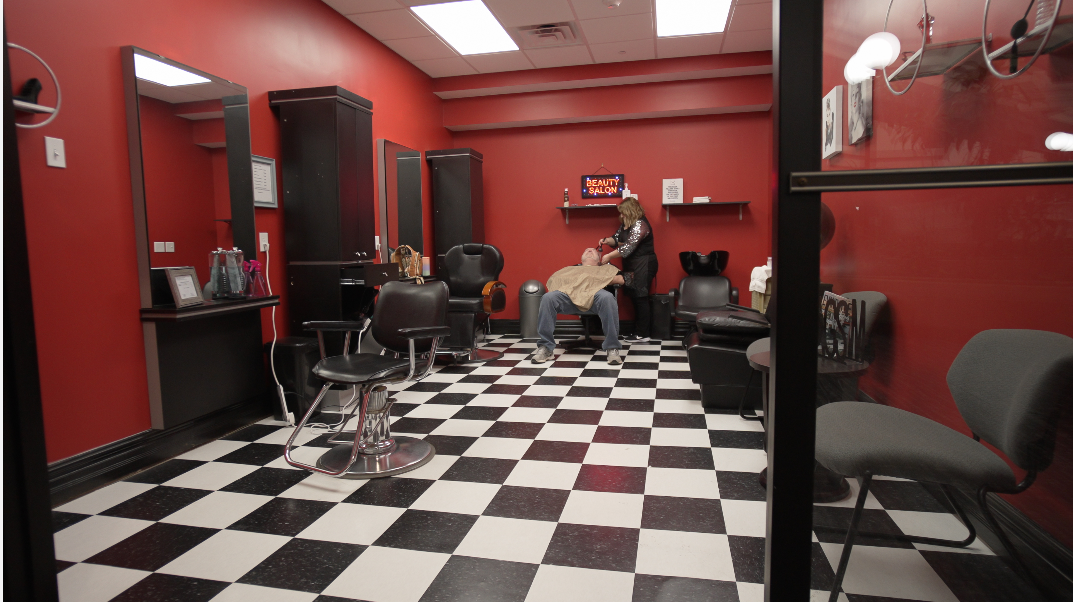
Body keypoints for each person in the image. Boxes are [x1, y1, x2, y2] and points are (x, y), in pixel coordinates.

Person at [533, 248, 624, 365]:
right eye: (587, 251)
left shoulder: (606, 269)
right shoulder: (571, 270)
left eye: (593, 251)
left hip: (594, 298)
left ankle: (612, 347)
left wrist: (594, 278)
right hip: (570, 299)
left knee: (607, 297)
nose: (590, 250)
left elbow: (621, 279)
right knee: (548, 297)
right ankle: (546, 347)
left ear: (599, 260)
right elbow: (555, 281)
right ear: (581, 259)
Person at [599, 196, 659, 343]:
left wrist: (608, 257)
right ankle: (638, 331)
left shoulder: (641, 225)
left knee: (641, 297)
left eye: (624, 213)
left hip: (644, 264)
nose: (621, 216)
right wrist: (607, 240)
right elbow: (617, 238)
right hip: (632, 265)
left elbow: (627, 247)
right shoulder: (626, 224)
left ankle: (643, 334)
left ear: (631, 211)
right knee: (634, 296)